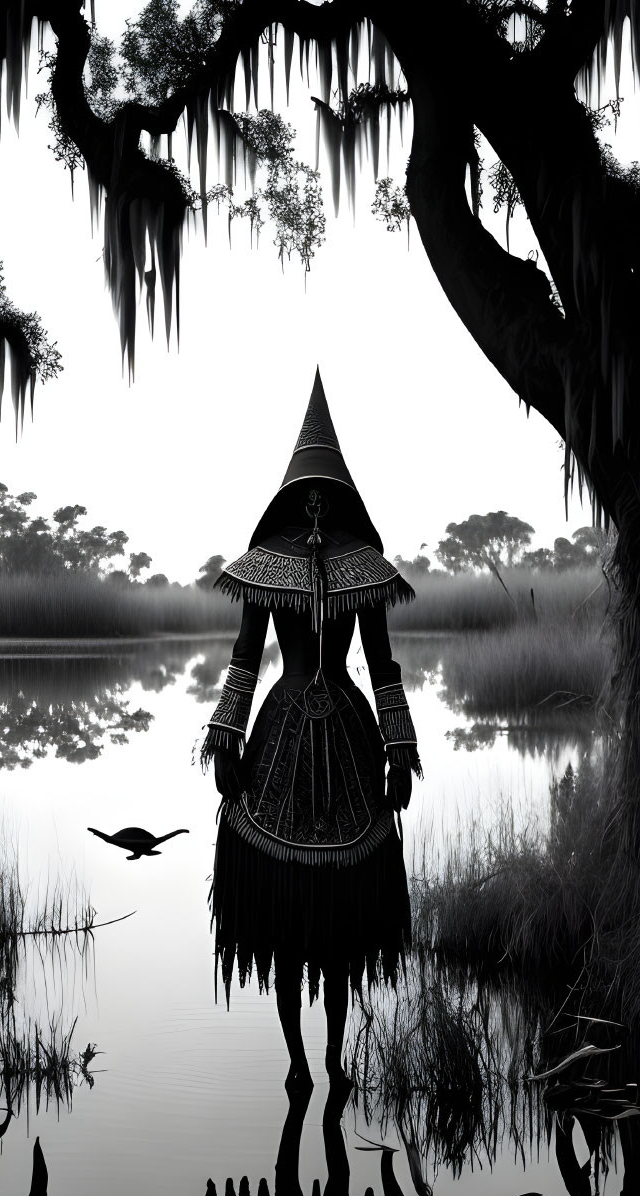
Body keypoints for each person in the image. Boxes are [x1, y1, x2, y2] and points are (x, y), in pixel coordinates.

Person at [201, 369, 421, 1086]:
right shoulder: (272, 566)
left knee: (333, 927)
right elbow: (243, 656)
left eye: (321, 495)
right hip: (292, 733)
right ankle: (305, 1063)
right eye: (311, 496)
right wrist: (224, 740)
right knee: (295, 922)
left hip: (340, 735)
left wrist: (399, 750)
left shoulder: (356, 568)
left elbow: (383, 664)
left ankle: (324, 1060)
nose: (316, 505)